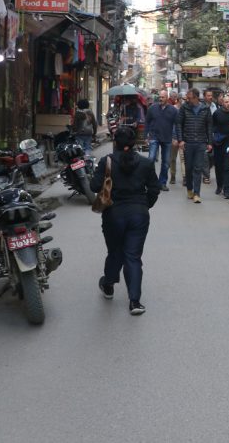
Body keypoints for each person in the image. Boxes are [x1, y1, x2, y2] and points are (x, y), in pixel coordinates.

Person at [91, 127, 161, 316]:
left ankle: (108, 285)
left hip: (113, 215)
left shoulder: (107, 162)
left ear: (115, 142)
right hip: (139, 214)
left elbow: (94, 186)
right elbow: (154, 189)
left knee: (115, 252)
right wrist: (144, 205)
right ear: (134, 143)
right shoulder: (146, 163)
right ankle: (135, 302)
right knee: (133, 256)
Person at [176, 88, 213, 204]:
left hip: (201, 143)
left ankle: (197, 193)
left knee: (198, 168)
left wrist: (210, 142)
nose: (187, 100)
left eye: (189, 98)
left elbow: (209, 126)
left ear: (196, 98)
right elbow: (178, 124)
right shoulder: (184, 108)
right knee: (189, 168)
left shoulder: (205, 109)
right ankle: (189, 189)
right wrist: (180, 140)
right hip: (188, 142)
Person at [145, 90, 179, 191]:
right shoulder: (152, 108)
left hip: (167, 138)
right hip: (154, 136)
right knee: (151, 159)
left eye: (163, 97)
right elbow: (147, 122)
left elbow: (176, 124)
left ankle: (162, 182)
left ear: (167, 98)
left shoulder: (173, 110)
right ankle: (151, 181)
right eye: (160, 97)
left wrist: (175, 137)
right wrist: (146, 136)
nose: (160, 99)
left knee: (166, 162)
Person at [201, 90, 217, 184]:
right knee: (205, 156)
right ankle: (206, 176)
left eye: (211, 95)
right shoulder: (201, 106)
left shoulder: (214, 106)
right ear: (204, 97)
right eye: (208, 95)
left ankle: (205, 170)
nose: (210, 97)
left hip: (214, 134)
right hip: (204, 134)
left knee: (212, 156)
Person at [168, 91, 182, 185]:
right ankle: (173, 175)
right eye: (183, 99)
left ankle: (185, 177)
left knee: (184, 159)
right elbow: (171, 125)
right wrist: (174, 137)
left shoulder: (187, 109)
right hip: (174, 137)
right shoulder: (173, 109)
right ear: (179, 99)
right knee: (172, 158)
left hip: (184, 138)